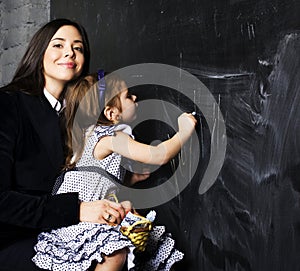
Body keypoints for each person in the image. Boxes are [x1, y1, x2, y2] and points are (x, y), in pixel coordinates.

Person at [32, 72, 197, 271]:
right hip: (80, 221)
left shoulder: (87, 136)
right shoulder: (110, 137)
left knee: (127, 241)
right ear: (111, 113)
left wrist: (131, 179)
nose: (135, 98)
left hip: (70, 217)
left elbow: (94, 180)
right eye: (128, 96)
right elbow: (158, 155)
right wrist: (184, 132)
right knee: (115, 254)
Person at [0, 19, 128, 271]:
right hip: (12, 238)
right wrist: (77, 210)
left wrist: (119, 195)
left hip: (59, 231)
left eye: (78, 48)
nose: (69, 52)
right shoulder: (7, 104)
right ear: (39, 53)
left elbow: (81, 178)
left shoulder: (83, 119)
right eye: (58, 45)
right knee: (110, 253)